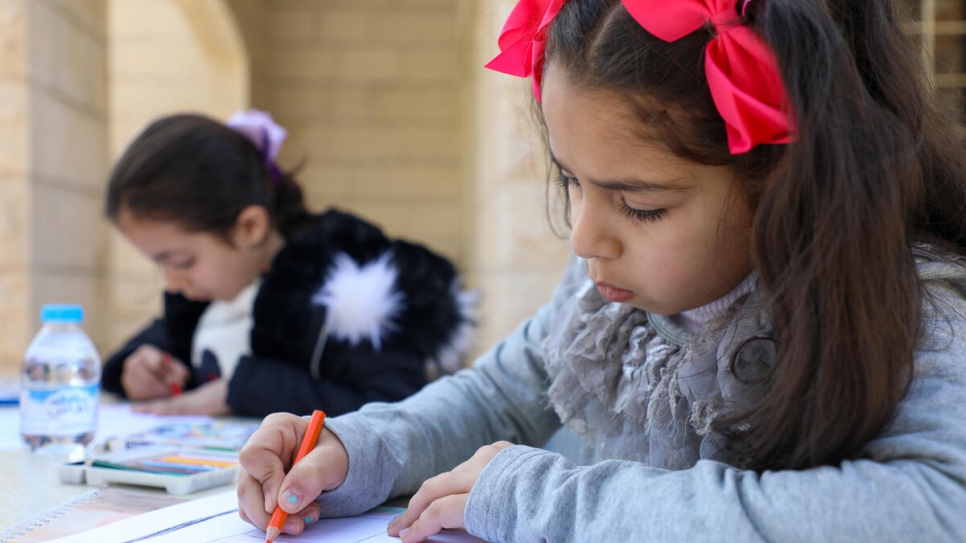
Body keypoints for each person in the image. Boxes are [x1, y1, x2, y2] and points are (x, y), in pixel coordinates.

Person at [236, 0, 966, 541]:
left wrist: (547, 499)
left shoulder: (916, 309)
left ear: (785, 179)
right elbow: (499, 398)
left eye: (639, 205)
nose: (586, 237)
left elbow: (935, 507)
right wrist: (357, 449)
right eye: (571, 181)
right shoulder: (606, 295)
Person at [101, 110, 474, 418]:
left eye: (181, 260)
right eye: (159, 265)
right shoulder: (203, 298)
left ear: (250, 227)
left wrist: (243, 390)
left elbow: (398, 407)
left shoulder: (340, 295)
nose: (172, 283)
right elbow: (154, 345)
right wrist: (136, 370)